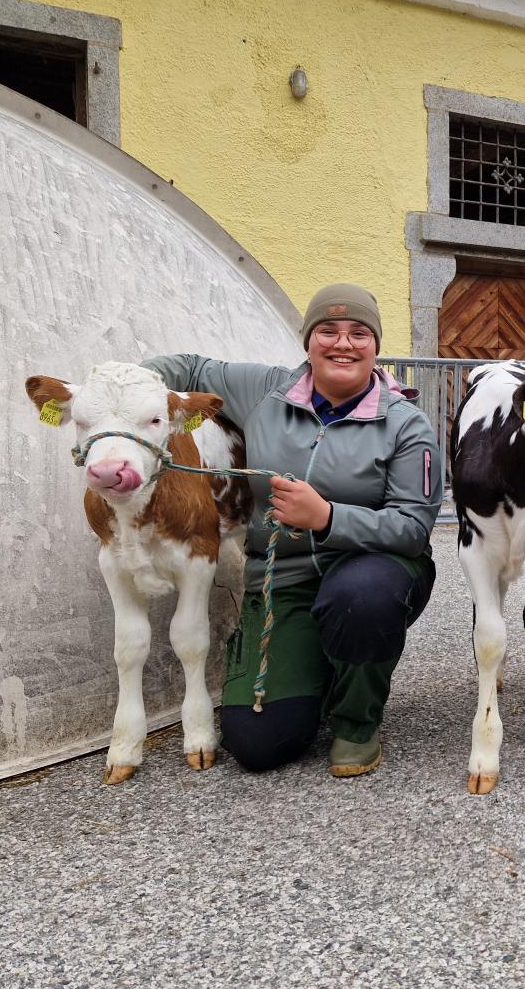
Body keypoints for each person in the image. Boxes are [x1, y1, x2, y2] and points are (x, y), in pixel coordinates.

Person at [143, 283, 441, 776]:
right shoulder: (265, 390)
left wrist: (327, 517)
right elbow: (192, 367)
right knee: (257, 745)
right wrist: (130, 386)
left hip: (371, 573)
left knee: (360, 599)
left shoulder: (406, 424)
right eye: (328, 330)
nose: (342, 343)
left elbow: (412, 527)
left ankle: (356, 722)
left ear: (375, 345)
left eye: (358, 333)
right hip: (283, 579)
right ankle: (320, 659)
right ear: (308, 340)